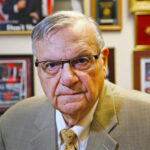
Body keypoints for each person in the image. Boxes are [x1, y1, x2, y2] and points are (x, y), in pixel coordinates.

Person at [0, 11, 150, 150]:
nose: (68, 79)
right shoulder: (11, 124)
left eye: (81, 61)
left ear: (103, 62)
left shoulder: (146, 119)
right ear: (39, 70)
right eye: (51, 65)